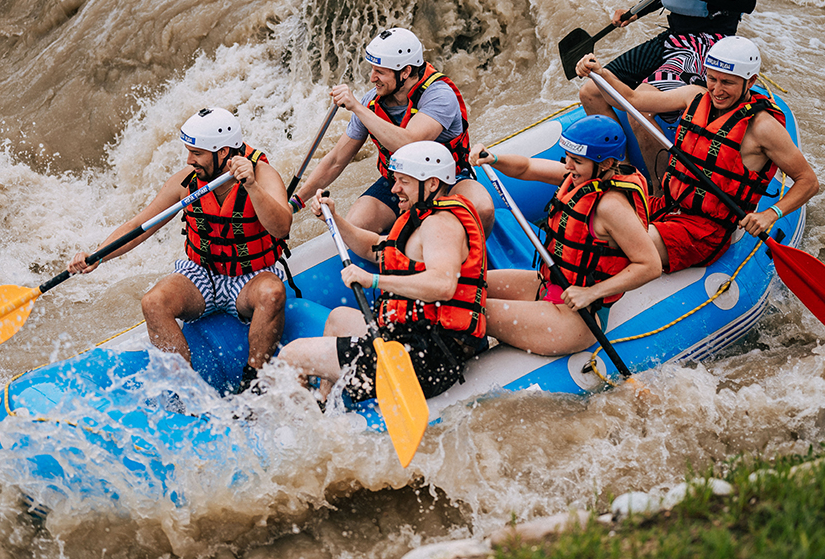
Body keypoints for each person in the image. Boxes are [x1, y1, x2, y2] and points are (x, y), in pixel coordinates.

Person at [68, 108, 292, 389]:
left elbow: (282, 227)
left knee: (272, 293)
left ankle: (254, 382)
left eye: (196, 153)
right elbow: (141, 225)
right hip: (203, 274)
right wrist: (97, 256)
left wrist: (252, 188)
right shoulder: (186, 181)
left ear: (222, 152)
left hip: (250, 277)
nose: (189, 160)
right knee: (153, 302)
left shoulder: (262, 174)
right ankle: (186, 389)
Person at [576, 36, 820, 274]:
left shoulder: (763, 128)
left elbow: (808, 181)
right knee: (586, 212)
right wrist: (600, 73)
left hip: (705, 231)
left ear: (750, 80)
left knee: (619, 239)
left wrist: (770, 214)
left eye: (728, 82)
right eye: (712, 79)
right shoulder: (693, 95)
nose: (717, 90)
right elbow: (632, 99)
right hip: (667, 205)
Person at [277, 141, 488, 403]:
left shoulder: (440, 224)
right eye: (395, 180)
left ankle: (303, 427)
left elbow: (443, 285)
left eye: (404, 182)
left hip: (426, 360)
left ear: (432, 183)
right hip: (414, 339)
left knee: (290, 356)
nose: (395, 189)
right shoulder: (420, 218)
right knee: (338, 318)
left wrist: (373, 279)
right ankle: (324, 404)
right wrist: (335, 219)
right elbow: (376, 248)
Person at [469, 116, 662, 356]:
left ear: (606, 163)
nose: (568, 166)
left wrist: (591, 293)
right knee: (465, 285)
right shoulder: (580, 177)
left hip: (576, 318)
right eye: (568, 157)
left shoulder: (611, 207)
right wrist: (494, 158)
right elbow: (526, 167)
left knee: (467, 309)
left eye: (577, 161)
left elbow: (650, 265)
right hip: (552, 285)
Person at [288, 27, 495, 235]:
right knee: (356, 225)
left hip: (445, 180)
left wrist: (357, 108)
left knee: (482, 208)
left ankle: (474, 256)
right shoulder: (371, 103)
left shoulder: (439, 95)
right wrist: (295, 203)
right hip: (399, 185)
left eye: (380, 72)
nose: (372, 78)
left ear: (405, 72)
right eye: (372, 69)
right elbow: (336, 160)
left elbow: (410, 144)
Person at [578, 0, 758, 192]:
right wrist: (637, 11)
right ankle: (622, 176)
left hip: (707, 41)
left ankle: (661, 191)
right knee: (592, 91)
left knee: (641, 110)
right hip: (674, 36)